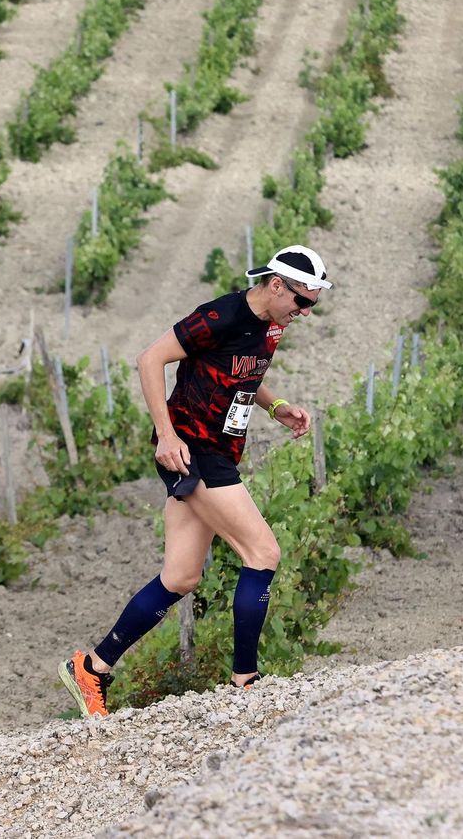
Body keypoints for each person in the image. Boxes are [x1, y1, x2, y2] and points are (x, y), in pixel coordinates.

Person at [58, 245, 331, 717]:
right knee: (263, 553)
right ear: (276, 285)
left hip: (219, 451)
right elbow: (149, 360)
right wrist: (165, 435)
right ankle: (245, 681)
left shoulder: (271, 326)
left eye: (311, 305)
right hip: (193, 451)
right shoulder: (219, 315)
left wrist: (276, 407)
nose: (303, 313)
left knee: (181, 575)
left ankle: (92, 668)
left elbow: (240, 375)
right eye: (301, 302)